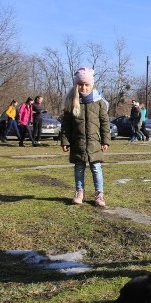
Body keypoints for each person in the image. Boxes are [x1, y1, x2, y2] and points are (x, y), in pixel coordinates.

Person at [61, 67, 110, 207]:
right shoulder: (72, 101)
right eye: (80, 84)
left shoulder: (99, 102)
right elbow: (66, 125)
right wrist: (65, 141)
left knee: (96, 168)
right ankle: (79, 192)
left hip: (95, 142)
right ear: (77, 85)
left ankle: (99, 194)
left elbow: (105, 123)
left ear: (92, 85)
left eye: (86, 84)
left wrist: (105, 140)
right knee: (79, 167)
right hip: (78, 142)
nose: (83, 87)